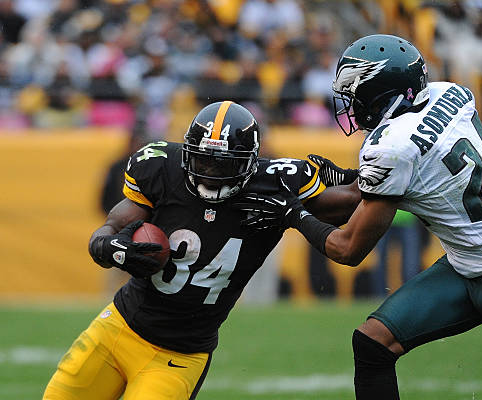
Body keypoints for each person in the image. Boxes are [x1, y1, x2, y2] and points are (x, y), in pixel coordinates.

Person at [236, 34, 482, 400]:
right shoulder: (449, 93)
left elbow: (348, 249)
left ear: (383, 91)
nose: (352, 106)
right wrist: (336, 182)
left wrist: (292, 214)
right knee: (373, 344)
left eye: (357, 94)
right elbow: (388, 181)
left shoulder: (392, 146)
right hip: (464, 264)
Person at [43, 101, 360, 400]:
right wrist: (108, 246)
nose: (210, 171)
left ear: (250, 162)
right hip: (117, 328)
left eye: (224, 164)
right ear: (186, 152)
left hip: (179, 355)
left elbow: (349, 203)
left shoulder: (274, 184)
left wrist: (362, 176)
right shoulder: (161, 167)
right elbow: (110, 227)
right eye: (203, 159)